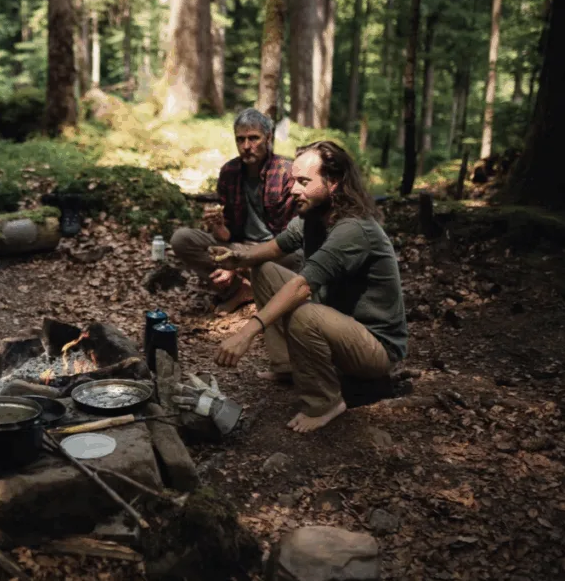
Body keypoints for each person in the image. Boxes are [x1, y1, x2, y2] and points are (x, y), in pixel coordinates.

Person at [211, 141, 408, 434]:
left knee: (304, 311)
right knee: (263, 270)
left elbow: (303, 286)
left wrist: (246, 333)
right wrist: (236, 258)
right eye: (293, 181)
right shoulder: (314, 215)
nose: (293, 189)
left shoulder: (353, 229)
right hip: (340, 324)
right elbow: (274, 249)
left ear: (334, 183)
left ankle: (324, 403)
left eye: (304, 182)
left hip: (377, 347)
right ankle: (286, 366)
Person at [170, 108, 299, 312]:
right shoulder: (230, 172)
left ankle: (258, 284)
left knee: (299, 255)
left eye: (253, 138)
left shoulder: (286, 172)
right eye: (240, 140)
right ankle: (240, 290)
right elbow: (227, 234)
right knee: (182, 239)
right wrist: (219, 226)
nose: (246, 146)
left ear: (268, 137)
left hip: (276, 249)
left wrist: (237, 263)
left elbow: (289, 239)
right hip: (239, 246)